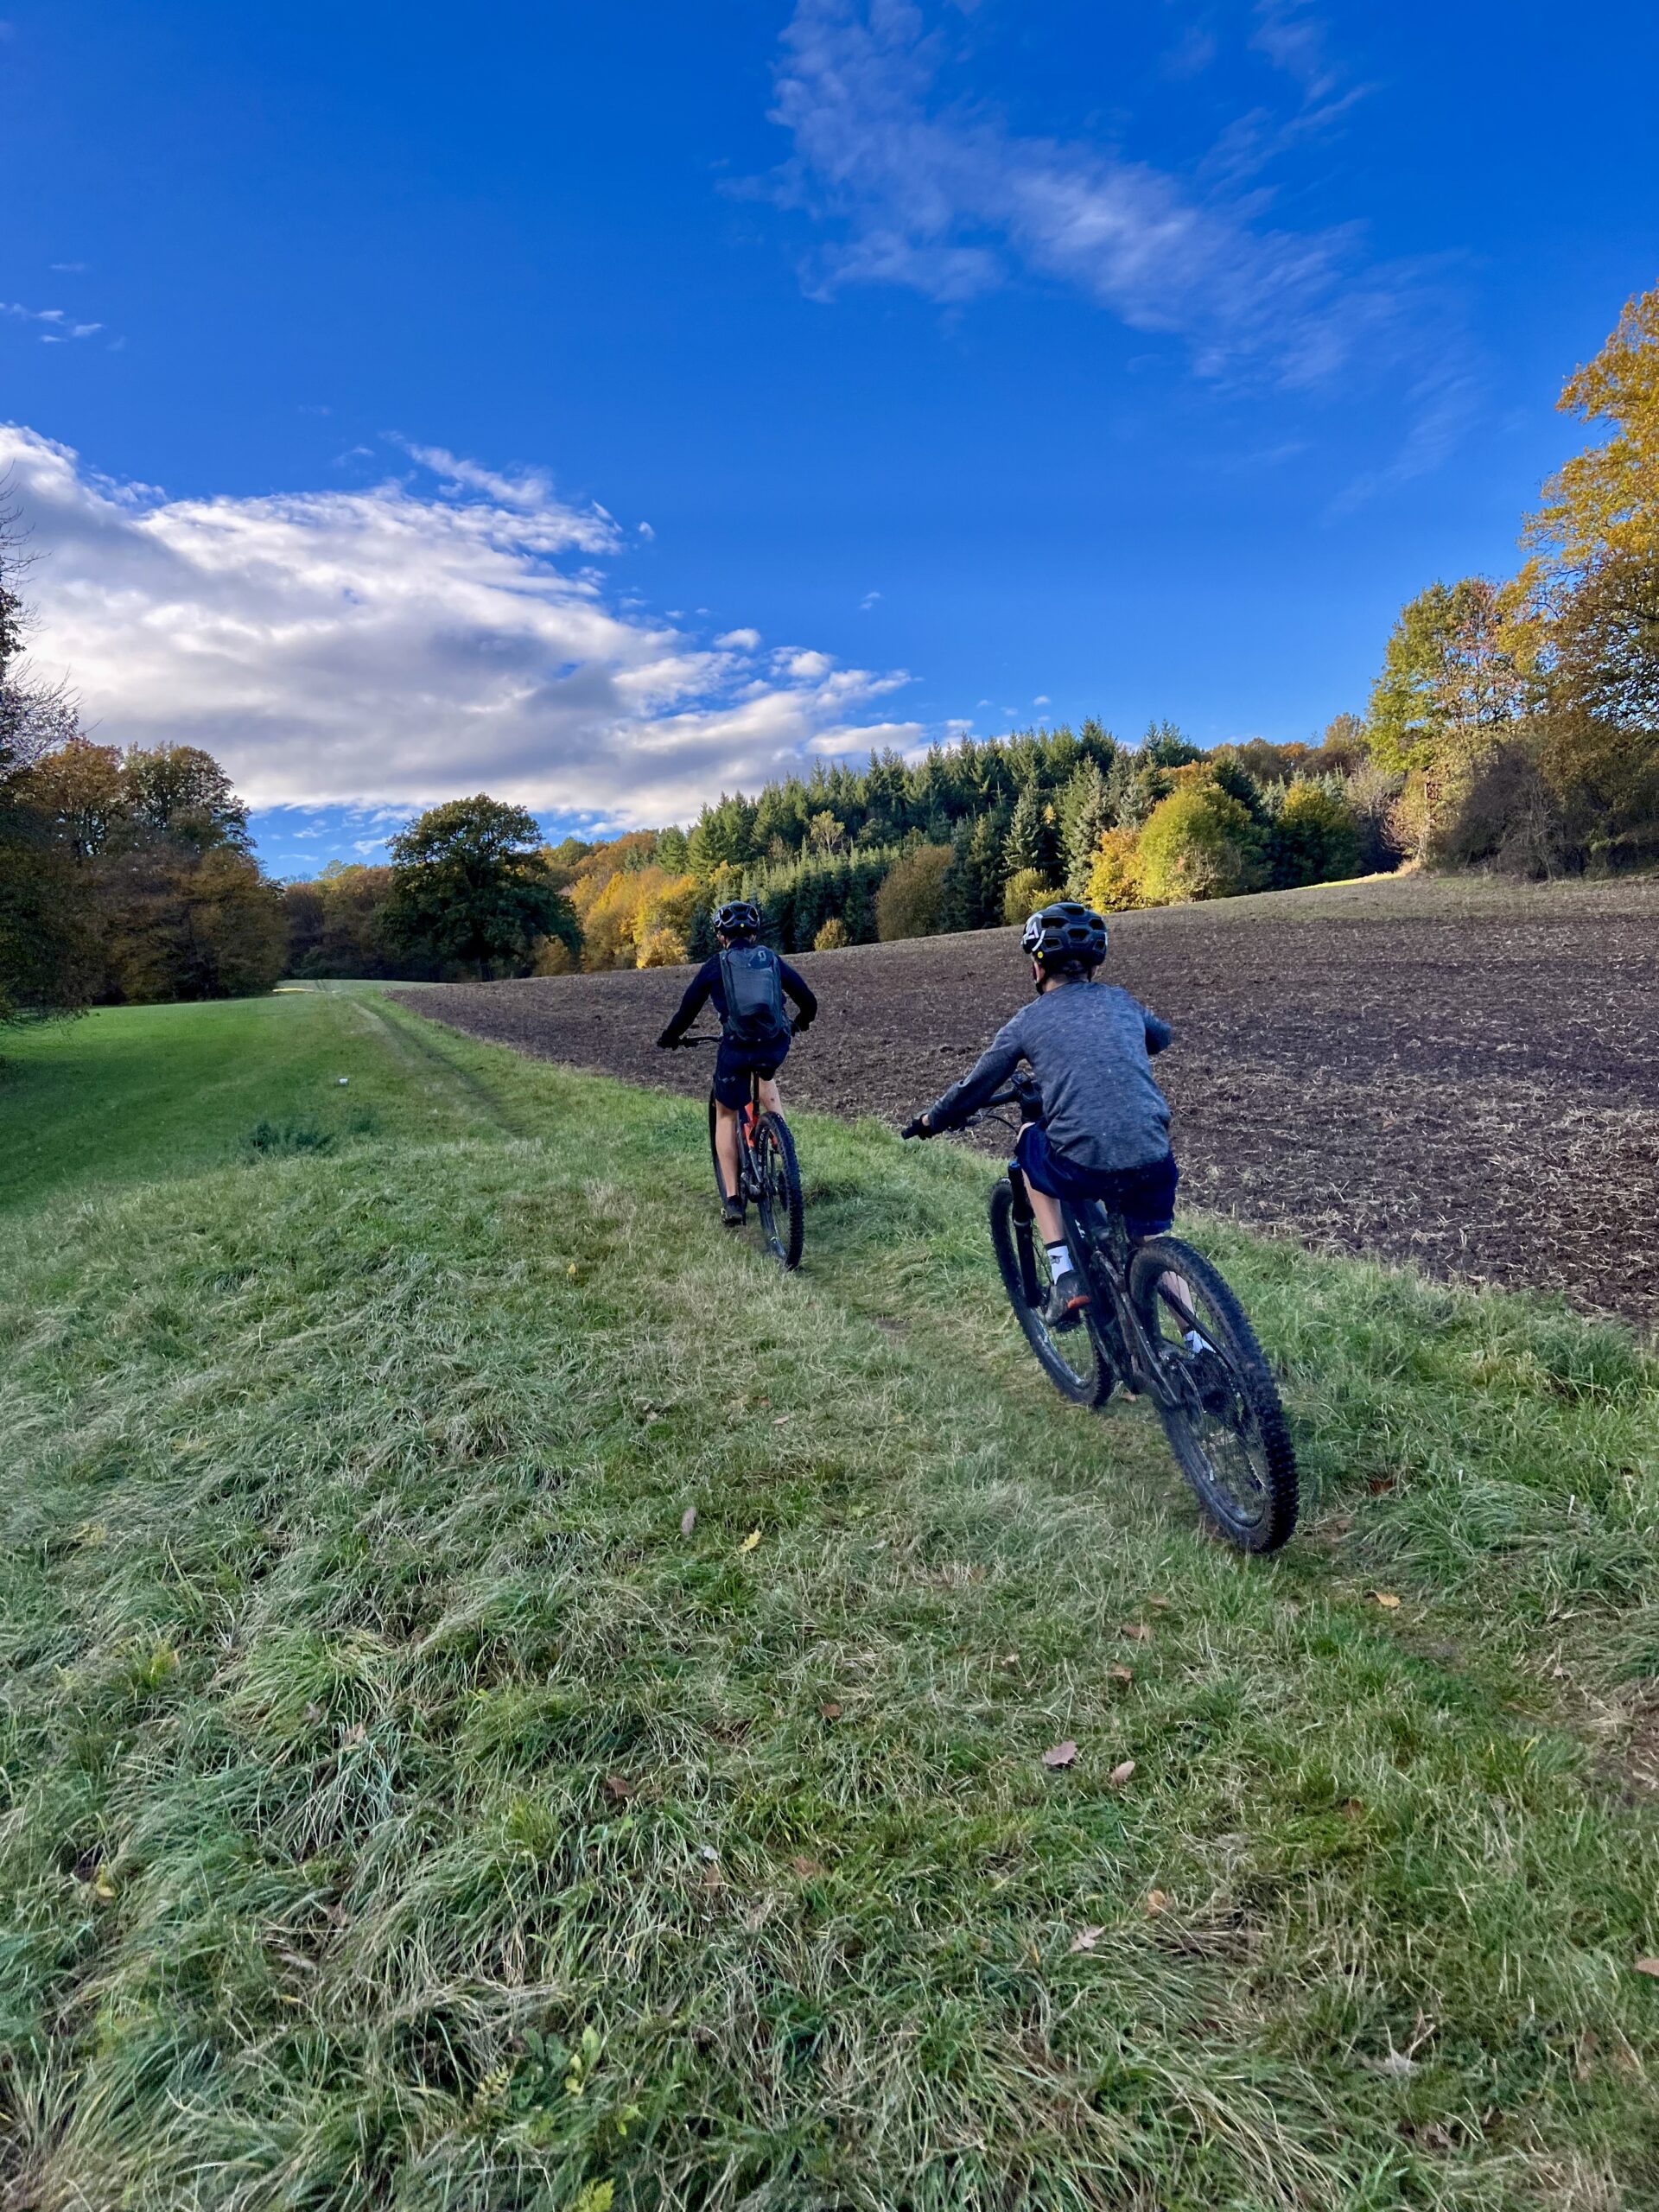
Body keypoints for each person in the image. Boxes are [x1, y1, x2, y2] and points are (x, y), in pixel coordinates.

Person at [903, 901, 1177, 1328]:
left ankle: (1064, 1273)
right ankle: (1201, 1352)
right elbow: (1160, 1038)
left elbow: (975, 1088)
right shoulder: (1122, 1001)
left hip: (1082, 1164)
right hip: (1155, 1157)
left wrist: (930, 1121)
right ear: (1093, 965)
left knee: (1029, 1138)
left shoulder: (1027, 1021)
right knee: (1152, 1240)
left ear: (1037, 966)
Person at [657, 900, 819, 1224]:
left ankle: (732, 1201)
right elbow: (808, 1002)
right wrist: (799, 1023)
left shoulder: (715, 966)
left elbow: (686, 1011)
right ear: (755, 935)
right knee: (766, 1085)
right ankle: (786, 1163)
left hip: (735, 1050)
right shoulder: (771, 959)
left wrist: (670, 1037)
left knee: (726, 1114)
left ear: (721, 936)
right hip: (774, 1045)